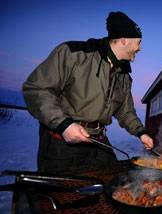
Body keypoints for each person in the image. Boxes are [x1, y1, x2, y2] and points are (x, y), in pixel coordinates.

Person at [22, 11, 154, 173]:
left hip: (98, 140)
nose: (139, 48)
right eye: (138, 42)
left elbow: (125, 111)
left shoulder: (124, 75)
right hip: (62, 142)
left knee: (112, 182)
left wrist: (141, 133)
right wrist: (64, 125)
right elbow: (36, 89)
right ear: (124, 40)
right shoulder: (75, 54)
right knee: (63, 193)